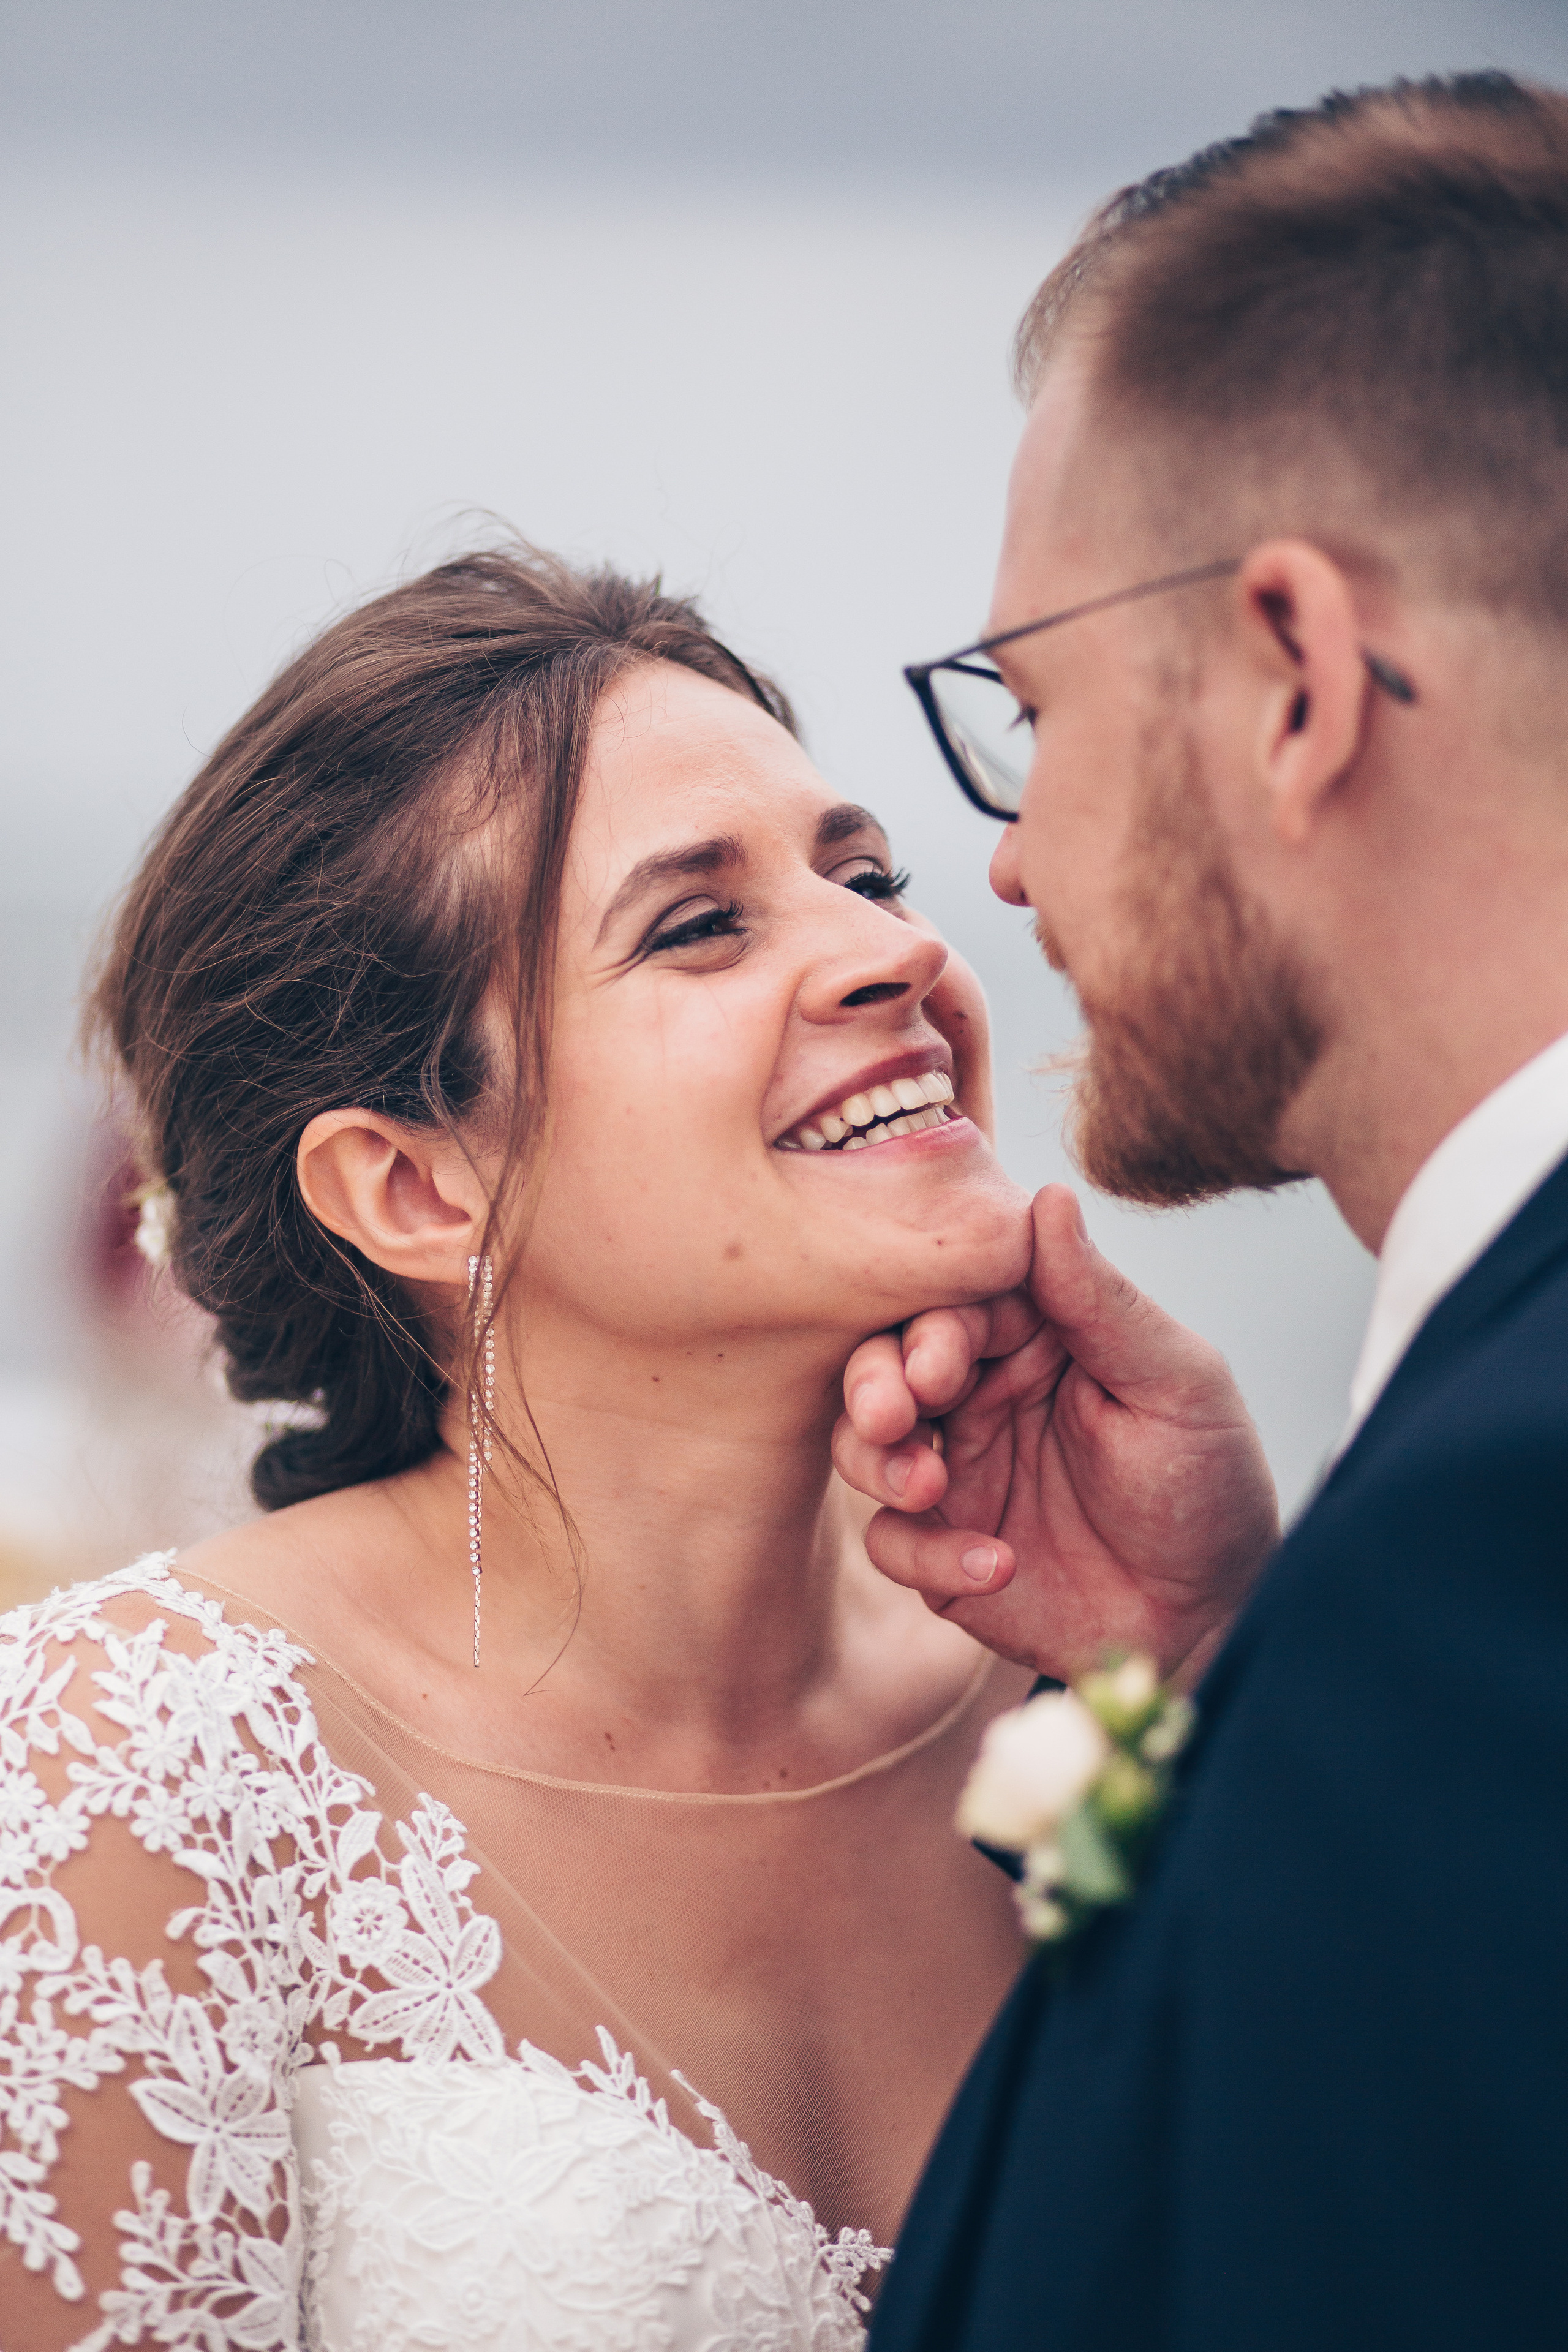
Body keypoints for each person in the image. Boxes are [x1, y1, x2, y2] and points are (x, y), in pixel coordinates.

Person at [0, 544, 1080, 2351]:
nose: (898, 950)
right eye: (700, 925)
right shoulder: (123, 1777)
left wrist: (1222, 1644)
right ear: (416, 1187)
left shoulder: (1096, 1681)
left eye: (866, 874)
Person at [834, 70, 1568, 2351]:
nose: (1005, 868)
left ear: (1296, 678)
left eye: (1030, 711)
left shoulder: (1503, 1538)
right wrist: (1238, 1670)